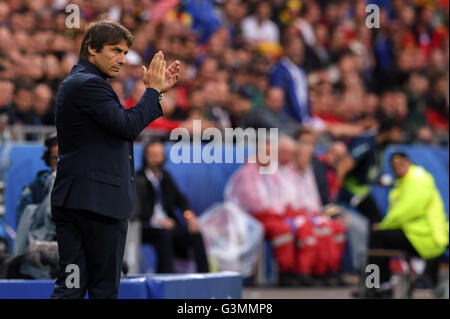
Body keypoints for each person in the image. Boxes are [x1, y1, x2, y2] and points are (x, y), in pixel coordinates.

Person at [50, 20, 181, 299]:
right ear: (92, 49)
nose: (122, 60)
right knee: (102, 290)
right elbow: (127, 127)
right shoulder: (89, 85)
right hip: (96, 205)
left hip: (79, 201)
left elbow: (121, 124)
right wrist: (153, 92)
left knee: (71, 288)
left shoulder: (80, 83)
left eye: (124, 52)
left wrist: (153, 94)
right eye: (115, 51)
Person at [358, 152, 449, 298]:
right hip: (415, 233)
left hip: (425, 237)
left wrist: (384, 225)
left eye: (401, 164)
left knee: (378, 236)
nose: (398, 169)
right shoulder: (404, 182)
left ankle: (374, 285)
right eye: (394, 167)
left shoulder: (417, 179)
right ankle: (380, 286)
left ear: (409, 163)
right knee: (380, 244)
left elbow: (407, 210)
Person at [131, 141, 209, 274]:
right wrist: (157, 221)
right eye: (152, 154)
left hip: (169, 224)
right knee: (164, 235)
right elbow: (137, 210)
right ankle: (166, 277)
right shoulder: (138, 179)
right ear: (146, 156)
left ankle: (205, 277)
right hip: (146, 226)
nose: (156, 158)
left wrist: (189, 216)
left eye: (159, 154)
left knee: (195, 233)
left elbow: (180, 199)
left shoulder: (166, 177)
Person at [16, 133, 58, 225]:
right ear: (48, 159)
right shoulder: (32, 190)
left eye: (62, 159)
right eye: (55, 159)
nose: (59, 164)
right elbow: (23, 229)